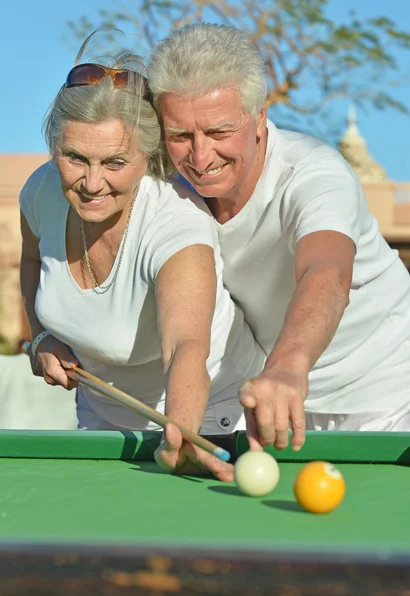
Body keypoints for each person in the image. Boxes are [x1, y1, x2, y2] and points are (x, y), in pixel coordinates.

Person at [148, 22, 410, 469]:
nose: (200, 156)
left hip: (383, 392)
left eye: (218, 132)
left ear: (260, 120)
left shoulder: (314, 174)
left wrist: (287, 367)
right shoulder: (169, 191)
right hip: (274, 404)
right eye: (179, 136)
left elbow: (326, 272)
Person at [20, 34, 266, 480]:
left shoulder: (176, 224)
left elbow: (185, 345)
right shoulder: (42, 191)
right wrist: (40, 338)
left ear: (148, 158)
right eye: (75, 157)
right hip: (104, 420)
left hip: (209, 427)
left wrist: (182, 432)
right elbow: (33, 262)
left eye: (115, 163)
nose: (92, 183)